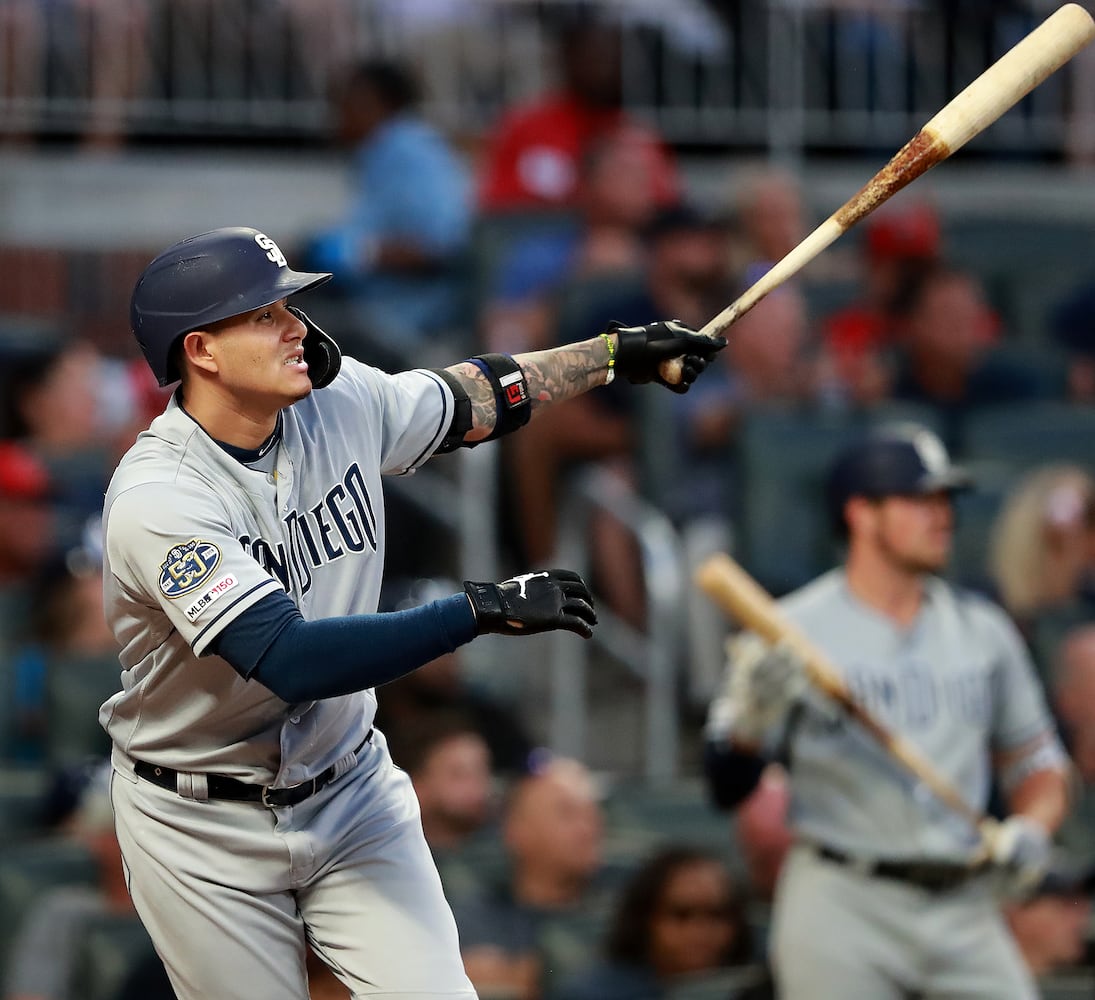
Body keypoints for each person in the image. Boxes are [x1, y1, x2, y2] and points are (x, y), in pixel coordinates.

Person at [100, 225, 724, 1000]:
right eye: (264, 314)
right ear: (200, 351)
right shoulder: (160, 498)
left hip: (347, 787)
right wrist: (475, 610)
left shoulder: (340, 400)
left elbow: (474, 397)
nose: (296, 325)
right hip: (198, 816)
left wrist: (609, 356)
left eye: (289, 305)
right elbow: (290, 660)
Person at [703, 421, 1072, 1000]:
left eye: (946, 498)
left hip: (963, 902)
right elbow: (725, 785)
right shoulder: (790, 629)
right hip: (844, 899)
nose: (942, 514)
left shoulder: (984, 631)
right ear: (861, 514)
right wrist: (749, 724)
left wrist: (1032, 827)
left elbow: (1038, 764)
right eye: (919, 499)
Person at [302, 58, 473, 361]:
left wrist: (360, 253)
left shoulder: (412, 150)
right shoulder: (377, 154)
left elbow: (445, 246)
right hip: (368, 307)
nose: (337, 114)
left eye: (346, 101)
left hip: (407, 322)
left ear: (372, 103)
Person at [476, 15, 679, 212]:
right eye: (595, 56)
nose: (605, 67)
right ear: (567, 58)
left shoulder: (639, 138)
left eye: (612, 56)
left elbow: (665, 209)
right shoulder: (524, 126)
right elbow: (494, 204)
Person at [453, 755, 613, 1000]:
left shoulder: (622, 909)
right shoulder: (472, 917)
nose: (587, 829)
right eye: (567, 814)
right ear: (516, 830)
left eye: (591, 815)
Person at [554, 844, 763, 1000]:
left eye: (717, 914)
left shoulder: (761, 986)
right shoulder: (592, 995)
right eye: (682, 914)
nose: (700, 929)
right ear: (646, 920)